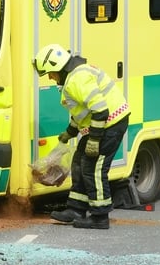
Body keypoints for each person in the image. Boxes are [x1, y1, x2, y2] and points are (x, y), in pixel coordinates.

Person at [33, 43, 130, 229]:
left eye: (51, 74)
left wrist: (94, 140)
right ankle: (75, 209)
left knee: (93, 169)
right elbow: (83, 113)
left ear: (58, 68)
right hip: (101, 125)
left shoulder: (77, 79)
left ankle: (100, 217)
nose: (52, 78)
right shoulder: (76, 75)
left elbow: (101, 110)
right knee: (79, 163)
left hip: (109, 124)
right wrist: (69, 133)